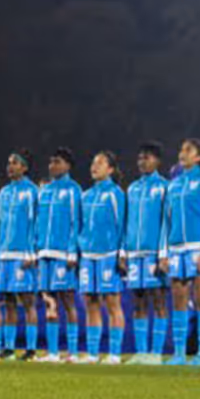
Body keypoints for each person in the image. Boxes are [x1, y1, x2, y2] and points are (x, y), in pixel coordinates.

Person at [160, 139, 200, 367]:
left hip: (197, 249)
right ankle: (180, 354)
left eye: (188, 150)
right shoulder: (173, 185)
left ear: (199, 157)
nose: (182, 153)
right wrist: (163, 253)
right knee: (179, 302)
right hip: (175, 250)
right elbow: (166, 221)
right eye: (181, 149)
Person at [76, 150, 127, 365]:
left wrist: (121, 252)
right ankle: (93, 354)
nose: (94, 166)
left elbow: (123, 225)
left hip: (108, 255)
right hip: (88, 256)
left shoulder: (116, 194)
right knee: (91, 304)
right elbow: (80, 226)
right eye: (93, 162)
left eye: (100, 163)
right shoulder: (85, 196)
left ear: (111, 169)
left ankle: (114, 354)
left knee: (112, 303)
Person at [122, 142, 169, 366]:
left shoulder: (164, 187)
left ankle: (156, 352)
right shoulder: (132, 188)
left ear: (157, 161)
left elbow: (167, 224)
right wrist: (124, 251)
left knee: (159, 301)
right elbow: (126, 222)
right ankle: (141, 352)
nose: (143, 162)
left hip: (154, 253)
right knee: (138, 302)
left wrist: (163, 253)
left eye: (148, 158)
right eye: (140, 158)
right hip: (134, 253)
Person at [35, 147, 84, 363]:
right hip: (44, 252)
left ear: (67, 166)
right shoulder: (44, 191)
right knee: (49, 302)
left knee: (68, 301)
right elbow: (38, 221)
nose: (52, 165)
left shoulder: (74, 189)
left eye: (57, 162)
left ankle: (72, 351)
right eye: (51, 162)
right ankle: (53, 352)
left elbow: (76, 222)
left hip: (63, 253)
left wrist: (72, 250)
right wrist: (37, 247)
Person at [0, 150, 40, 361]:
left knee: (28, 301)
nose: (10, 166)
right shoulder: (3, 193)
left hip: (23, 254)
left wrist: (33, 252)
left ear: (25, 167)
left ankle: (30, 349)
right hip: (4, 254)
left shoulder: (32, 191)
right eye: (9, 163)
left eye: (15, 163)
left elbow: (36, 224)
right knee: (8, 302)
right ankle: (9, 348)